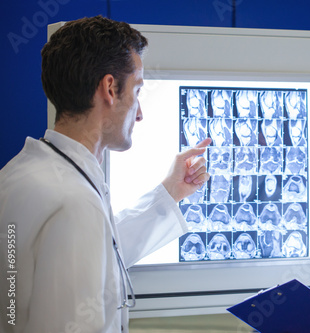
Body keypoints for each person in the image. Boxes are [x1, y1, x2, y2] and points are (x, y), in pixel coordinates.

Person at [0, 16, 211, 332]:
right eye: (137, 90)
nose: (139, 113)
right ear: (110, 88)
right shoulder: (73, 202)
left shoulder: (25, 173)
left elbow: (98, 257)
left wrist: (170, 193)